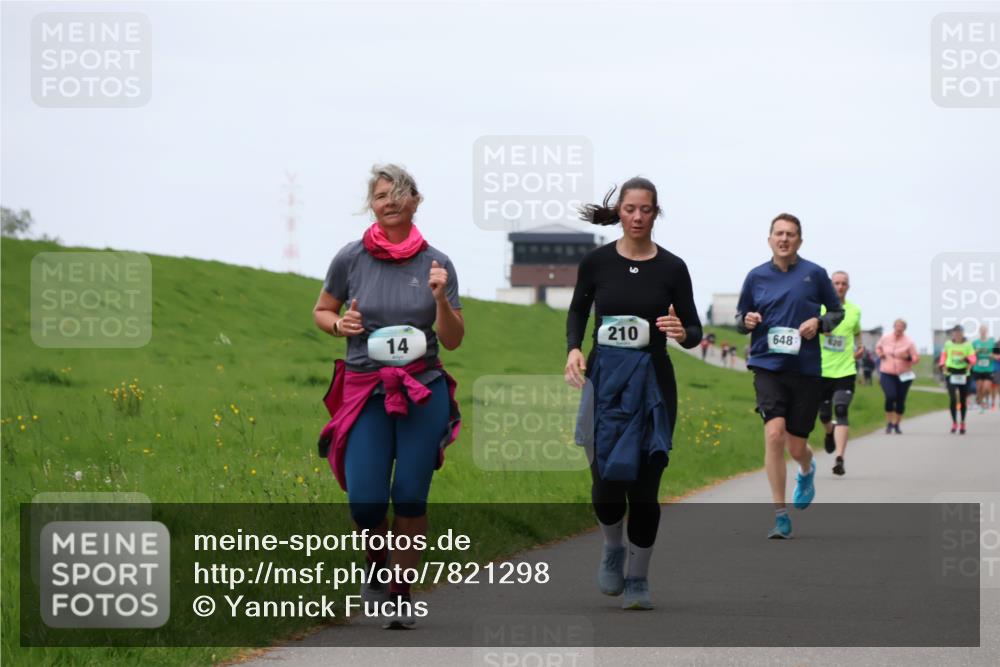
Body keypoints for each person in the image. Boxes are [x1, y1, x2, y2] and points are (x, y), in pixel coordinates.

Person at [313, 164, 463, 629]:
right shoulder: (350, 258)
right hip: (366, 390)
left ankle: (400, 592)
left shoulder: (438, 263)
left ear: (416, 201)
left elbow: (454, 340)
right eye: (380, 195)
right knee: (366, 502)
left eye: (399, 193)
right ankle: (377, 568)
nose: (390, 201)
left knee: (411, 495)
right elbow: (322, 310)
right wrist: (340, 325)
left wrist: (440, 300)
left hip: (423, 389)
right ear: (371, 205)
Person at [565, 177, 702, 610]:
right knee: (606, 482)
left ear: (655, 213)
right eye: (630, 209)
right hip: (605, 379)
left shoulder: (673, 268)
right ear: (620, 213)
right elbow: (577, 310)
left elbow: (695, 330)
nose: (638, 217)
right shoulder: (596, 262)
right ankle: (612, 547)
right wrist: (573, 349)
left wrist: (684, 333)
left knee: (645, 485)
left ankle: (639, 579)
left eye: (646, 210)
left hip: (654, 382)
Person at [736, 213, 842, 539]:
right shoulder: (756, 277)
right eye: (779, 233)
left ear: (799, 240)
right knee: (774, 435)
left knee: (797, 447)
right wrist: (748, 321)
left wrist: (820, 324)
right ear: (770, 239)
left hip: (806, 369)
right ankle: (780, 515)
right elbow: (740, 318)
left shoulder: (815, 274)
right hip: (767, 366)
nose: (784, 239)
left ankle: (807, 470)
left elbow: (836, 311)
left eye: (791, 234)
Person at [818, 271, 863, 476]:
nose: (840, 286)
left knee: (842, 409)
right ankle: (829, 431)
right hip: (821, 371)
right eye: (836, 283)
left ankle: (840, 458)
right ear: (830, 285)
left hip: (845, 370)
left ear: (848, 286)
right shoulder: (819, 308)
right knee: (825, 415)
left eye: (844, 283)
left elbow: (857, 332)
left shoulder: (854, 311)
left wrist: (860, 347)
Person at [875, 320, 920, 434]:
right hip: (887, 372)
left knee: (900, 400)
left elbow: (916, 358)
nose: (899, 328)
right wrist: (880, 354)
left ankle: (897, 424)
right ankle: (889, 422)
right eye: (897, 326)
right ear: (894, 327)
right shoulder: (885, 338)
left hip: (904, 374)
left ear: (904, 328)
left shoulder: (909, 342)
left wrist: (908, 357)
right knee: (890, 396)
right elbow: (878, 347)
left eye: (901, 327)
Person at [938, 326, 977, 434]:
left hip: (964, 373)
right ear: (953, 334)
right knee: (953, 399)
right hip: (951, 372)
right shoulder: (948, 344)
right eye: (955, 333)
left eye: (959, 333)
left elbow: (973, 358)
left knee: (963, 399)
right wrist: (942, 365)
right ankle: (954, 422)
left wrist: (967, 360)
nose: (957, 335)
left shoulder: (968, 345)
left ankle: (963, 422)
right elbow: (943, 356)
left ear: (963, 333)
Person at [971, 325, 996, 413]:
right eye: (981, 330)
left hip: (989, 369)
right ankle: (980, 403)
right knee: (979, 388)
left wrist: (991, 355)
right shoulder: (975, 343)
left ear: (987, 331)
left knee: (986, 387)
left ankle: (984, 401)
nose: (983, 332)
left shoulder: (992, 342)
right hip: (978, 369)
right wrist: (976, 352)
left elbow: (997, 356)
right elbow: (970, 355)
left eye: (984, 330)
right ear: (979, 331)